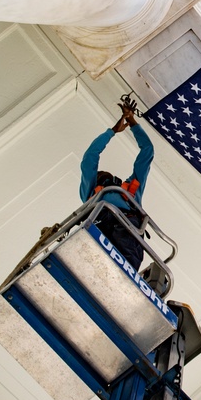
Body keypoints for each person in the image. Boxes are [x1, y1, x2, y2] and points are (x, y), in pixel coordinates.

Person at [79, 96, 153, 271]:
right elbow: (90, 157)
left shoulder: (130, 192)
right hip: (101, 223)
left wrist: (132, 121)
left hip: (127, 229)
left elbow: (147, 151)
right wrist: (112, 131)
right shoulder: (92, 192)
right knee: (92, 267)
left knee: (123, 270)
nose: (103, 173)